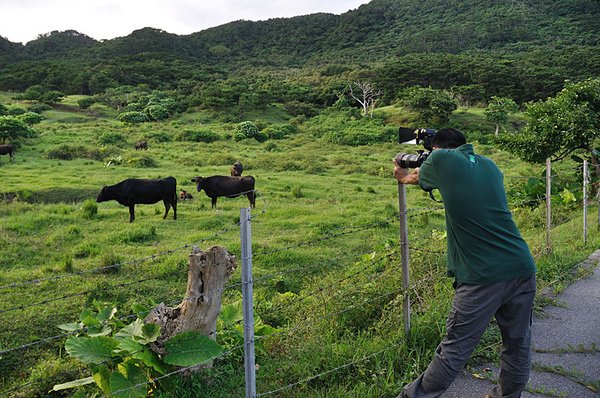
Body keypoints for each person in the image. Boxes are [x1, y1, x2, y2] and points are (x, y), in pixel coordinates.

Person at [393, 128, 536, 398]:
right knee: (517, 344)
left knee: (454, 349)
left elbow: (413, 176)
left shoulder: (441, 159)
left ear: (437, 149)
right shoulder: (490, 165)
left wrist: (402, 172)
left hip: (481, 275)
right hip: (521, 265)